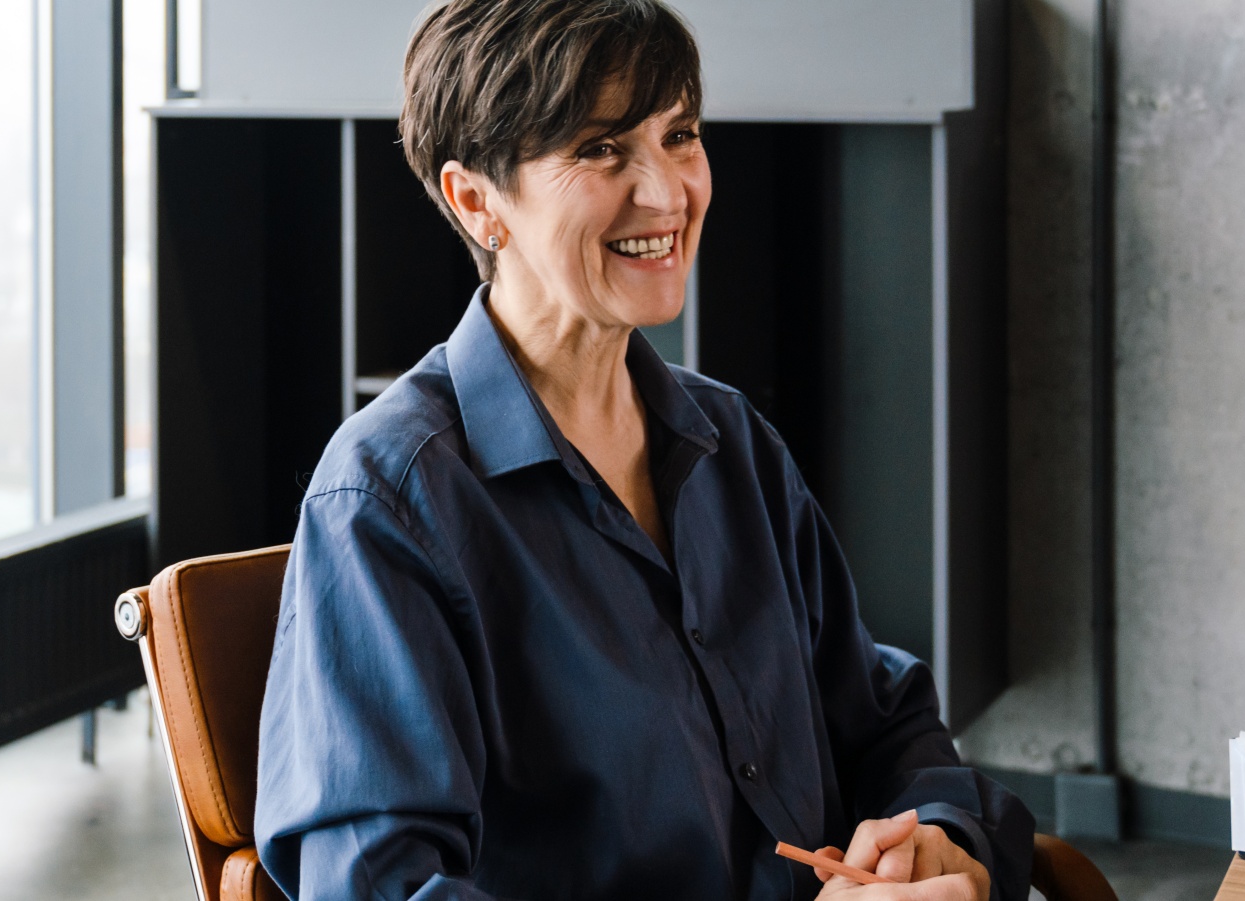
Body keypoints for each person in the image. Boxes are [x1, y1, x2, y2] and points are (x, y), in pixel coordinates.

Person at [252, 1, 1032, 898]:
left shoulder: (733, 440)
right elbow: (379, 884)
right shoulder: (387, 500)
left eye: (680, 136)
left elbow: (881, 720)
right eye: (600, 149)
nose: (666, 192)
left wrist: (934, 835)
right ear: (476, 201)